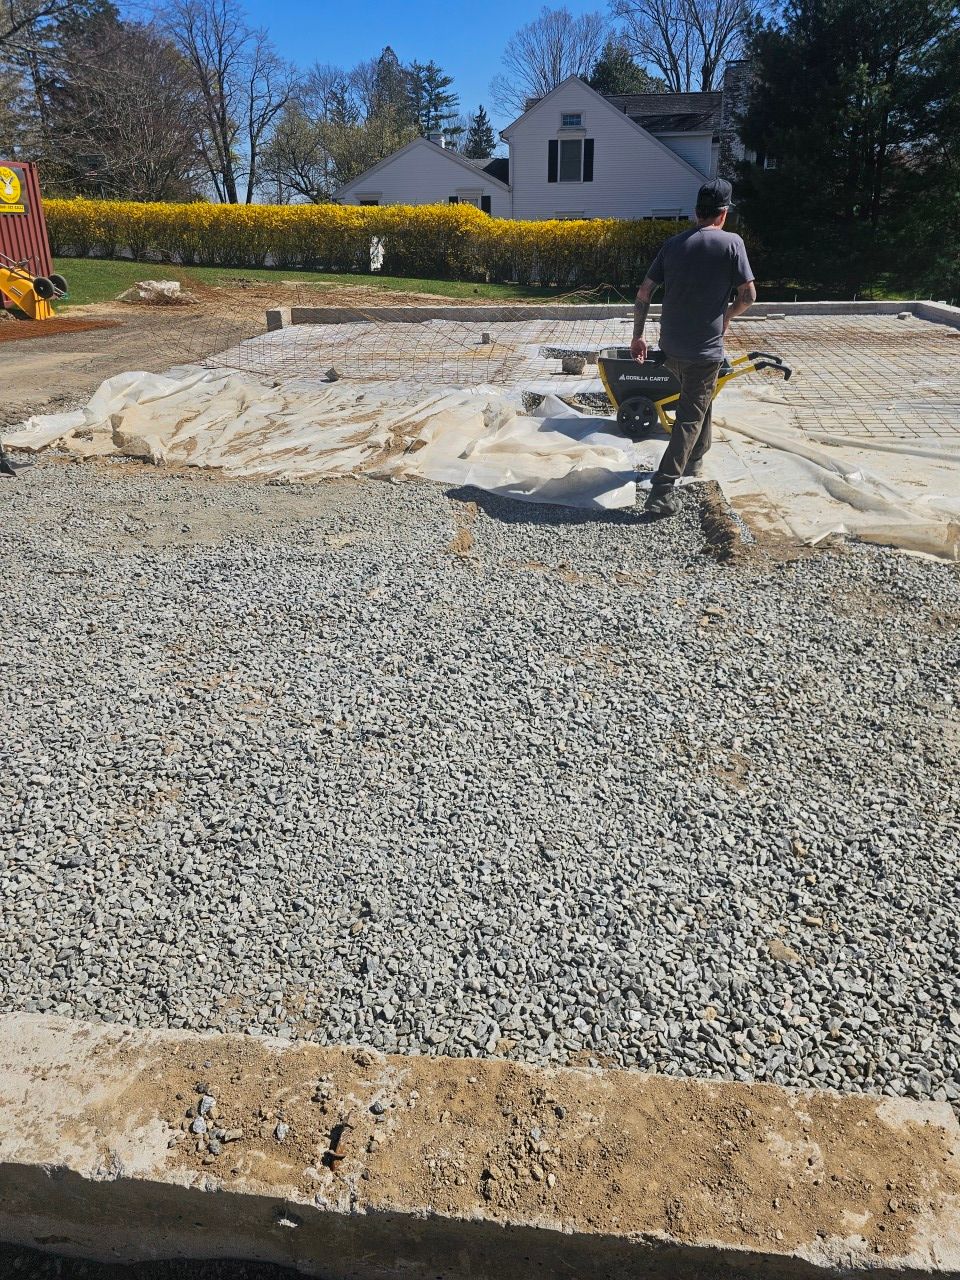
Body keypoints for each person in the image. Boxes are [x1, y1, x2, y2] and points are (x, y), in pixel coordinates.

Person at [631, 178, 756, 517]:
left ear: (697, 211)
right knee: (690, 417)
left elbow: (644, 293)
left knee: (700, 401)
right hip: (704, 351)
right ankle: (662, 488)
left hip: (671, 348)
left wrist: (638, 336)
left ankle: (695, 459)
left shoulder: (673, 244)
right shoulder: (732, 244)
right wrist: (728, 315)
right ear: (724, 213)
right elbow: (749, 296)